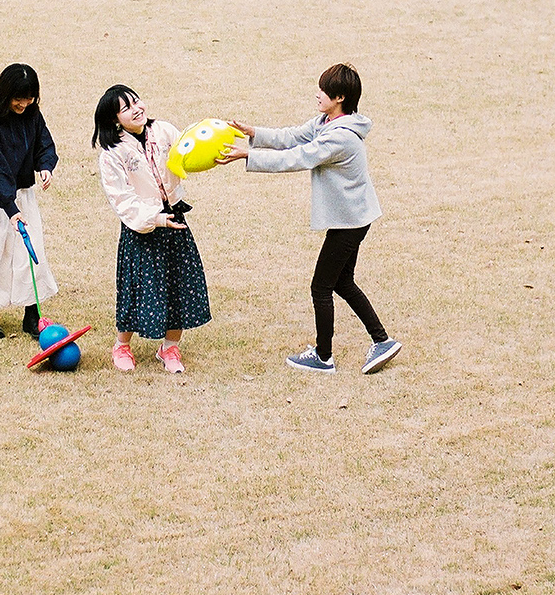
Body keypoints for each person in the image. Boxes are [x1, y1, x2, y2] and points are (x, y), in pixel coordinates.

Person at [218, 63, 401, 375]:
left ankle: (323, 356)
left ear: (340, 97)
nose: (318, 95)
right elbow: (293, 137)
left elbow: (298, 157)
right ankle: (382, 341)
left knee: (321, 286)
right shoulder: (327, 121)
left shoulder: (339, 137)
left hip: (351, 222)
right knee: (342, 282)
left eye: (324, 91)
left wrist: (248, 154)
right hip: (354, 217)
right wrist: (254, 134)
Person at [92, 85, 211, 374]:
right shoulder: (112, 154)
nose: (137, 109)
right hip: (143, 228)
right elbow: (122, 200)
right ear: (114, 120)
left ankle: (170, 347)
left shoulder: (164, 131)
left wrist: (211, 148)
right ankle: (122, 345)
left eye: (136, 101)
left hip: (175, 219)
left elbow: (188, 154)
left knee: (180, 284)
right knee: (138, 286)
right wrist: (157, 219)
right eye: (126, 108)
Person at [0, 62, 58, 342]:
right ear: (6, 94)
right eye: (19, 98)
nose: (24, 103)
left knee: (29, 251)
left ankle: (32, 312)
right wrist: (11, 209)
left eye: (29, 97)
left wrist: (45, 165)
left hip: (23, 192)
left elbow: (44, 142)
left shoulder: (32, 113)